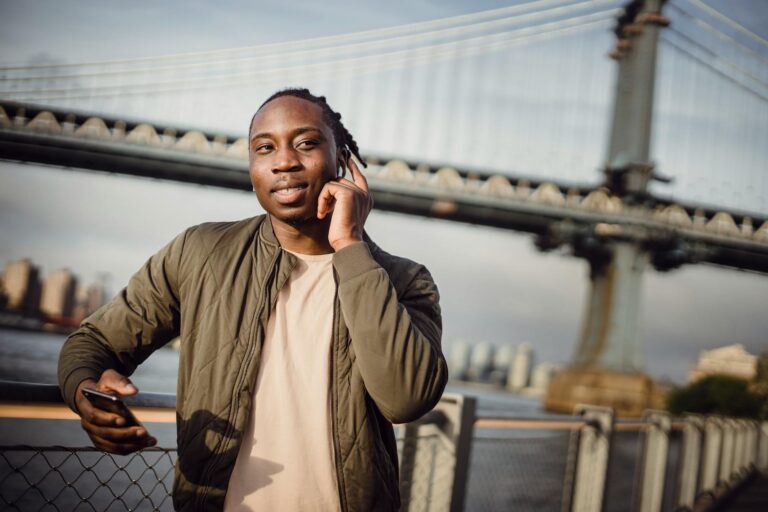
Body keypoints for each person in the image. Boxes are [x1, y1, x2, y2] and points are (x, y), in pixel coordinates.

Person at [58, 88, 448, 511]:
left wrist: (349, 244)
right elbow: (93, 345)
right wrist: (86, 394)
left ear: (343, 161)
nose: (284, 161)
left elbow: (406, 399)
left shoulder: (404, 280)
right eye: (265, 148)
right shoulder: (200, 252)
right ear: (252, 165)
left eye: (306, 143)